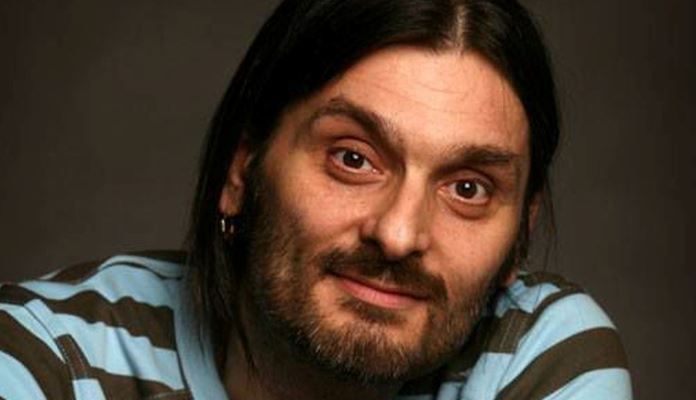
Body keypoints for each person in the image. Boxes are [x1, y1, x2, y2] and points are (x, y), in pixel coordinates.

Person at [0, 0, 633, 399]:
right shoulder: (48, 354)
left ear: (520, 236)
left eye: (467, 189)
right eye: (353, 158)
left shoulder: (541, 356)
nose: (399, 234)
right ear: (242, 170)